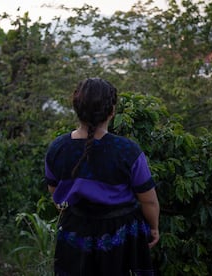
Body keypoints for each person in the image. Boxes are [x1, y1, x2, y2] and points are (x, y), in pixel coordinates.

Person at [44, 78, 160, 275]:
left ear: (76, 108)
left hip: (76, 231)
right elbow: (148, 201)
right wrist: (154, 228)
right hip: (120, 235)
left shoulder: (58, 148)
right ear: (112, 110)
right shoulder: (127, 150)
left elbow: (55, 192)